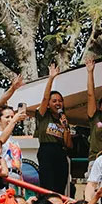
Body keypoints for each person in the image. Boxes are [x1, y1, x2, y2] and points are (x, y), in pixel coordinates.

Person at [33, 64, 73, 196]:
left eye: (60, 101)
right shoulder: (43, 116)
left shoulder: (63, 119)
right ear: (49, 104)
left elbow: (69, 145)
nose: (58, 103)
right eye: (54, 101)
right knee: (48, 187)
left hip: (60, 153)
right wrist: (51, 78)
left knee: (60, 188)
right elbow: (45, 98)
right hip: (46, 151)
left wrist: (66, 128)